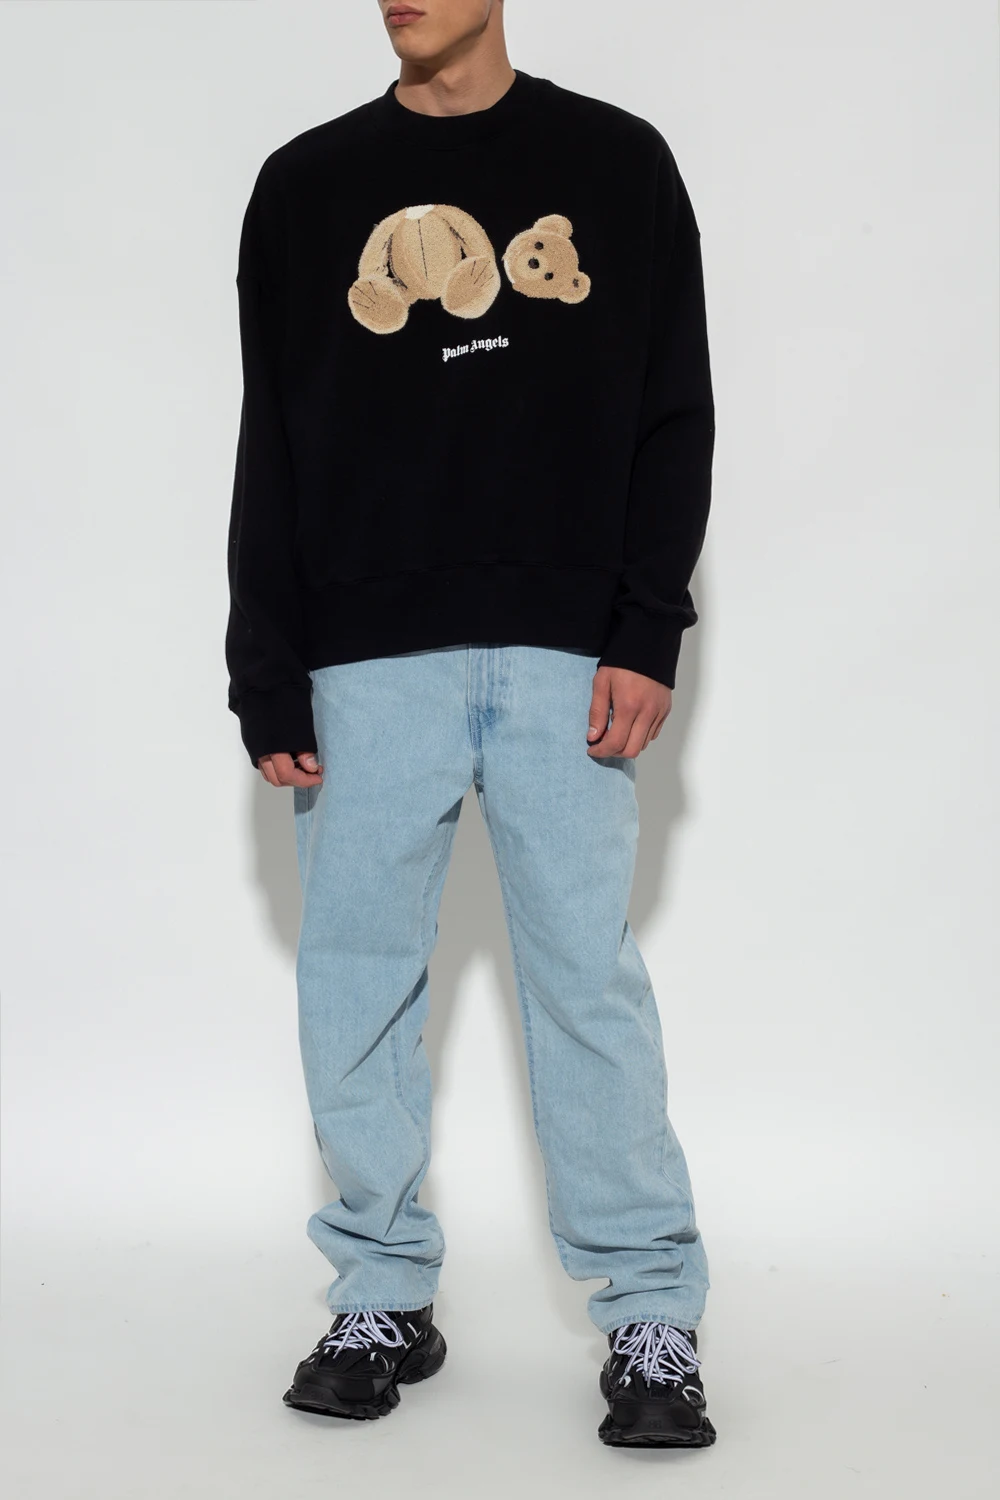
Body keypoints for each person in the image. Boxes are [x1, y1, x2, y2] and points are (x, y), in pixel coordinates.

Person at [224, 0, 717, 1449]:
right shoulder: (305, 185)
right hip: (367, 656)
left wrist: (645, 625)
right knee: (357, 981)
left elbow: (674, 409)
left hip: (567, 651)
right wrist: (268, 662)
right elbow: (272, 436)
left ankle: (650, 1313)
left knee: (586, 980)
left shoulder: (618, 164)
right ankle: (381, 1292)